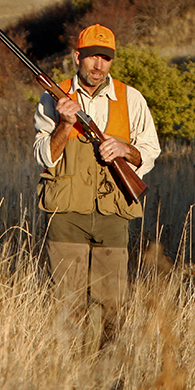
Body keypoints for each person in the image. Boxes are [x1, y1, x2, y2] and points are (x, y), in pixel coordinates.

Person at [33, 23, 160, 349]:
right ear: (78, 57)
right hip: (66, 214)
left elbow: (150, 151)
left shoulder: (131, 99)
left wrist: (124, 149)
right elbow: (44, 156)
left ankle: (105, 376)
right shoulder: (53, 96)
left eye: (105, 58)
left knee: (111, 305)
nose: (98, 65)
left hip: (112, 214)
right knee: (68, 303)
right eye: (92, 57)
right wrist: (65, 124)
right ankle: (70, 374)